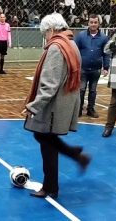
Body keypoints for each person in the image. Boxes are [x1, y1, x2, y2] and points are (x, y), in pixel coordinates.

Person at [22, 13, 91, 199]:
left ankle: (51, 187)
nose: (45, 37)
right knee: (45, 139)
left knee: (47, 144)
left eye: (45, 33)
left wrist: (33, 105)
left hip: (54, 106)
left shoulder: (56, 47)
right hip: (65, 102)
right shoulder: (72, 43)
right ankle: (75, 154)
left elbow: (50, 83)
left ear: (51, 30)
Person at [75, 14, 110, 118]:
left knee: (93, 90)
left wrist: (106, 67)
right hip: (82, 69)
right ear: (88, 23)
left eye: (95, 22)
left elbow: (106, 53)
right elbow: (75, 51)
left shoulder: (104, 38)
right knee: (81, 89)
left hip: (96, 70)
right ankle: (79, 109)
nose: (93, 24)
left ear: (98, 23)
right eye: (91, 22)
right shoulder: (81, 36)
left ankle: (91, 109)